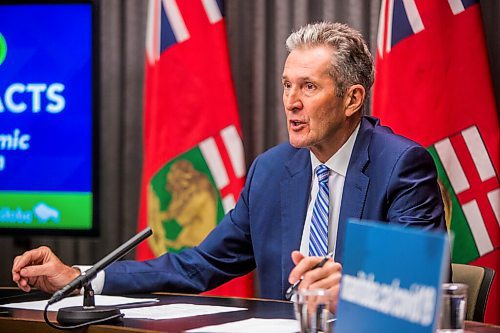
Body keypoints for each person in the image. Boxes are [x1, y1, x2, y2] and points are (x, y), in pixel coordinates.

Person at [12, 22, 445, 312]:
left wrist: (347, 291)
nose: (291, 102)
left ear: (352, 99)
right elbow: (198, 266)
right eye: (287, 85)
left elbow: (414, 290)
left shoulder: (401, 166)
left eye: (309, 87)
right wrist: (80, 276)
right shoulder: (273, 170)